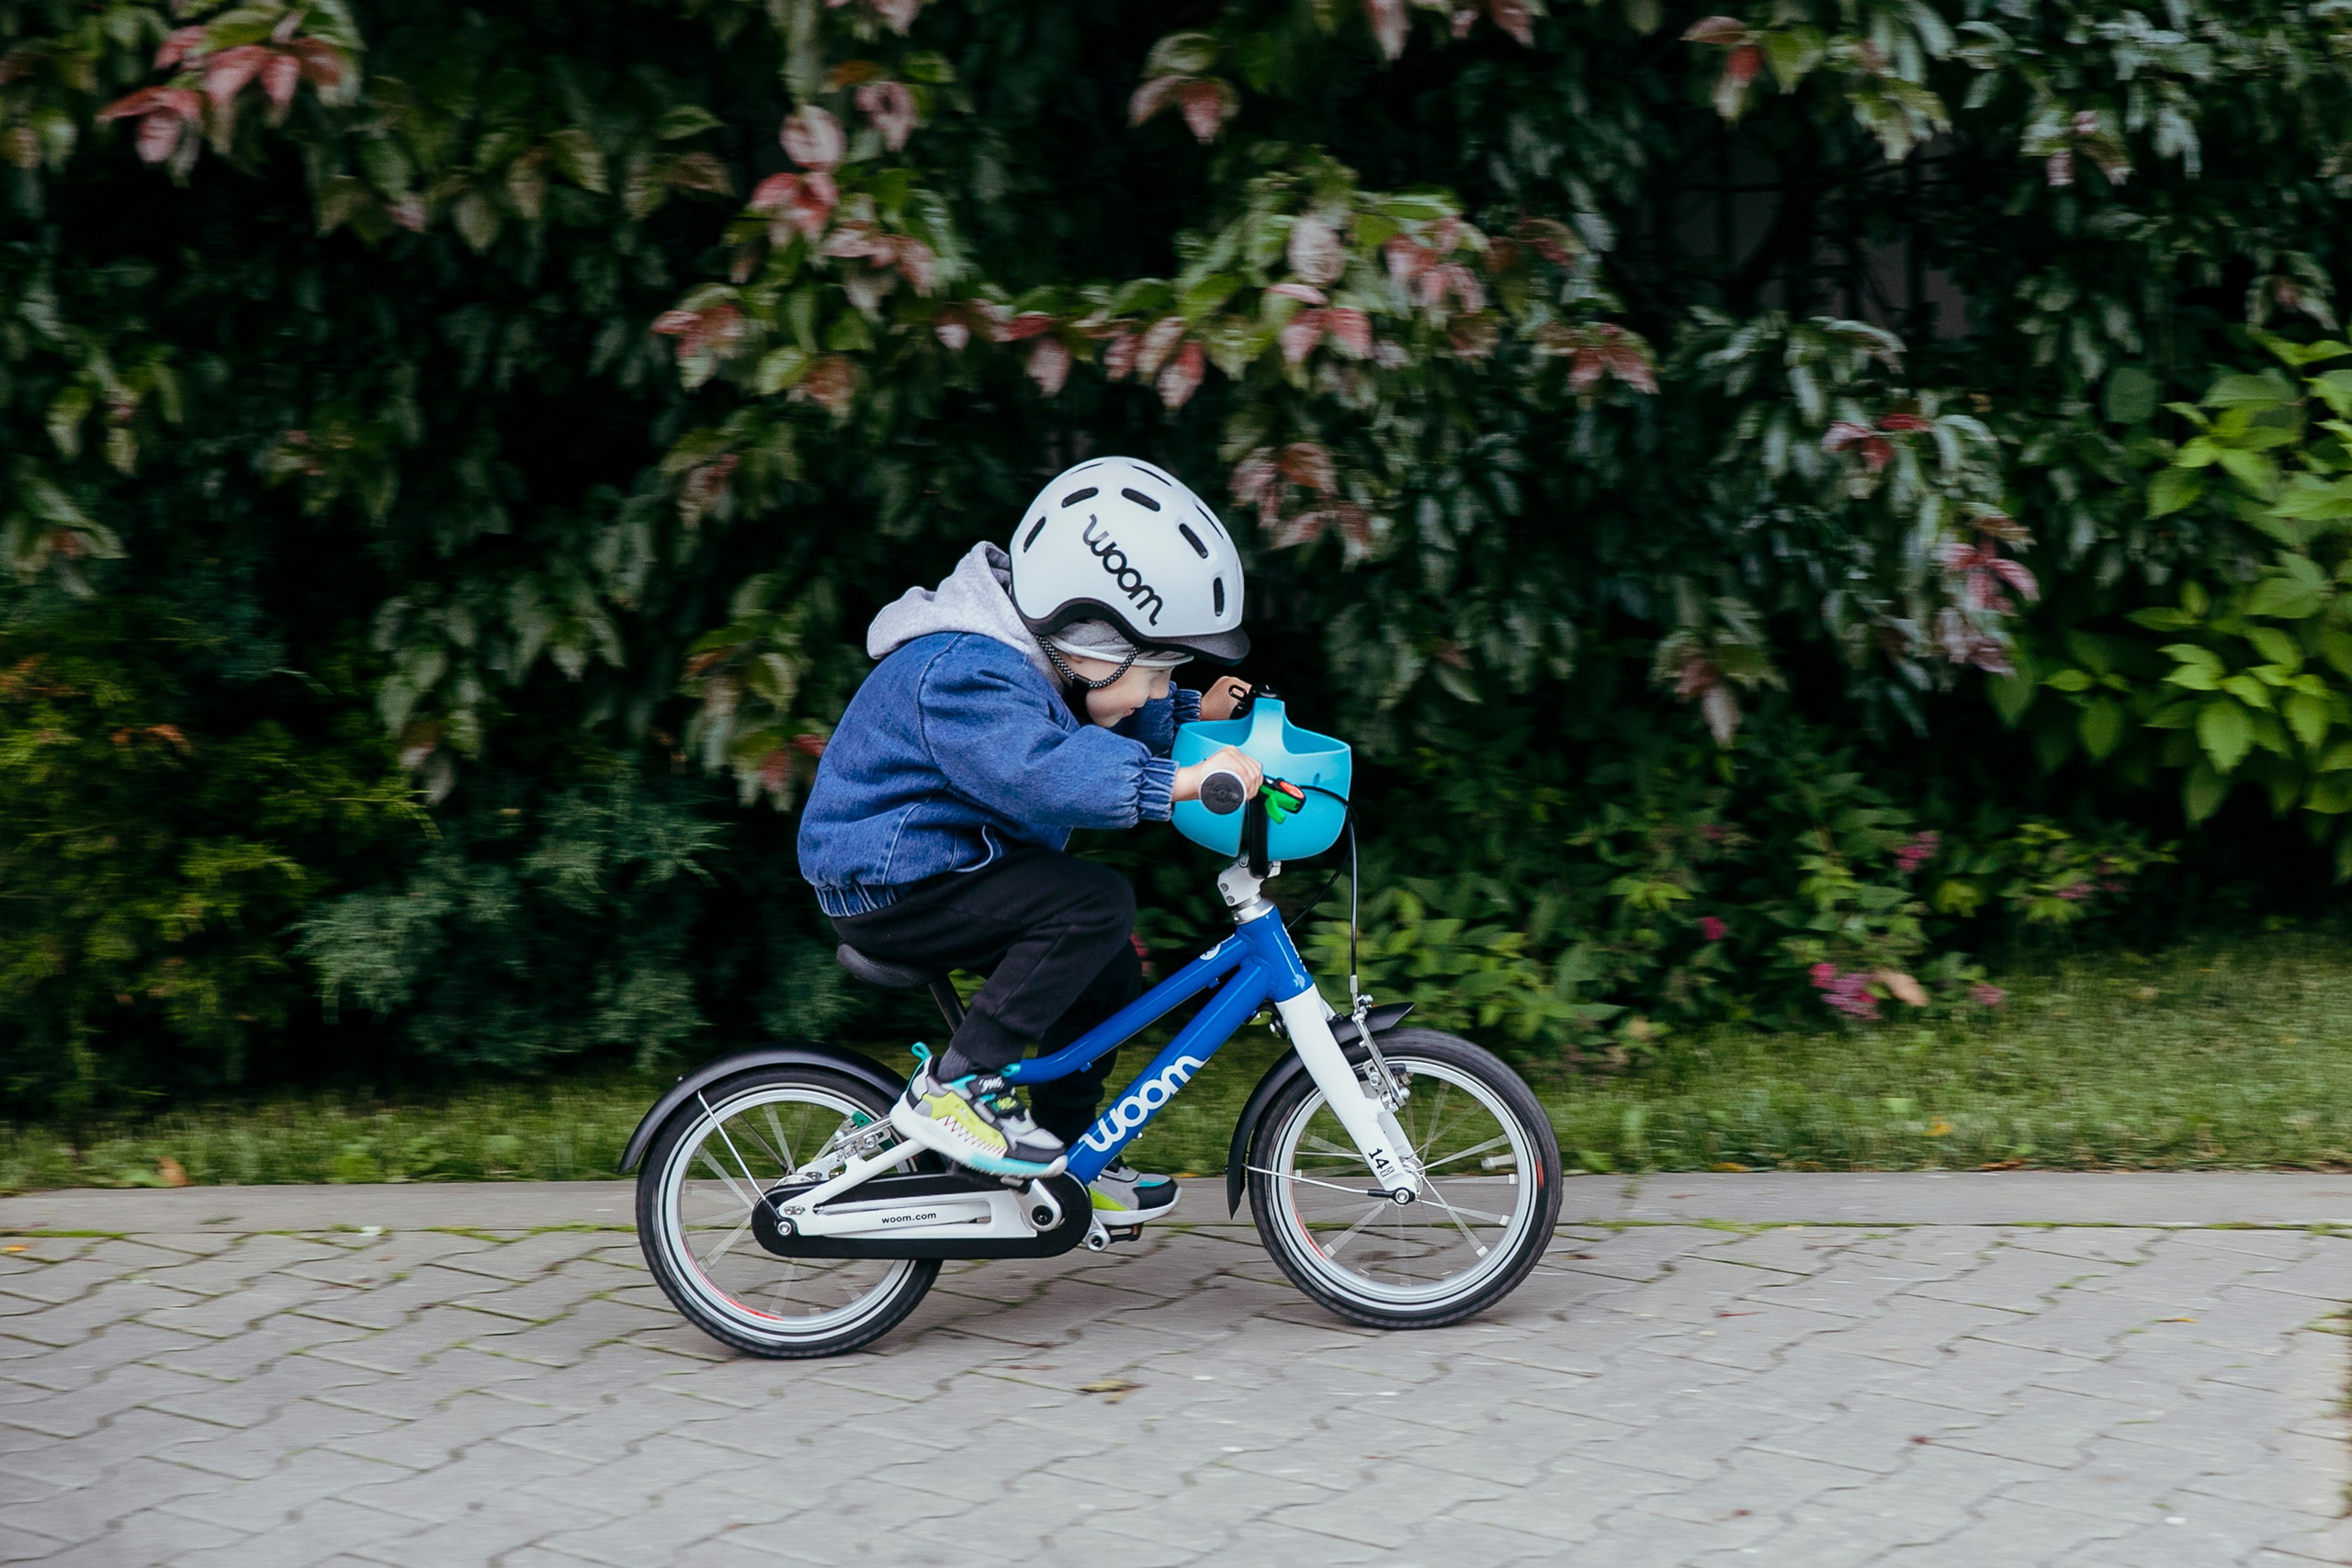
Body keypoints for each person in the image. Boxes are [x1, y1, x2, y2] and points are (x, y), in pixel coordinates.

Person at [796, 457, 1262, 1225]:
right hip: (890, 882)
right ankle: (959, 1087)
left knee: (1107, 969)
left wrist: (1188, 715)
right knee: (1093, 902)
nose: (1157, 689)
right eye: (1155, 673)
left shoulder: (1035, 661)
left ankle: (1071, 1153)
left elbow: (1088, 713)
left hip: (955, 864)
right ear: (1092, 641)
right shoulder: (965, 672)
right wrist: (1178, 780)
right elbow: (1044, 768)